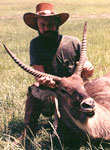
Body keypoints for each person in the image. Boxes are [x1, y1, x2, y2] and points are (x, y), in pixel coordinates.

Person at [22, 2, 94, 138]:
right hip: (55, 89)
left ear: (57, 24)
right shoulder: (36, 44)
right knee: (34, 90)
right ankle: (28, 131)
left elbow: (86, 71)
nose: (47, 28)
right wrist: (45, 80)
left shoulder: (74, 42)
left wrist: (89, 68)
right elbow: (39, 75)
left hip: (77, 89)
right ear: (37, 26)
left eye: (50, 24)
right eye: (42, 25)